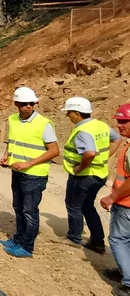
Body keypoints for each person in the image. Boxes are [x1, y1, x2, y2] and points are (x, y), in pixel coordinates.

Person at [0, 86, 59, 258]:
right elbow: (12, 141)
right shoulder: (13, 119)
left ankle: (26, 246)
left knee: (29, 211)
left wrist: (29, 163)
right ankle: (18, 238)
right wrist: (6, 157)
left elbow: (54, 151)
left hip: (35, 175)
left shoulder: (43, 124)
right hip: (17, 171)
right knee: (18, 207)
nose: (28, 106)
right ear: (16, 104)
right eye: (24, 103)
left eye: (31, 103)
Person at [60, 97, 121, 254]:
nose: (68, 116)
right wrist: (105, 157)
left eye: (69, 113)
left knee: (73, 204)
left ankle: (73, 237)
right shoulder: (99, 125)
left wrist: (80, 167)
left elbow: (90, 153)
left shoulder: (83, 131)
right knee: (87, 205)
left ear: (77, 113)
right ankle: (97, 241)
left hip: (84, 176)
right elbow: (116, 139)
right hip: (99, 174)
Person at [100, 103, 130, 295]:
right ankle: (123, 271)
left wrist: (112, 197)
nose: (119, 125)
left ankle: (128, 283)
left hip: (126, 204)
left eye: (124, 121)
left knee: (118, 240)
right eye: (118, 121)